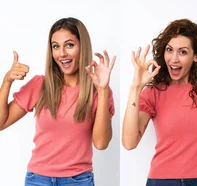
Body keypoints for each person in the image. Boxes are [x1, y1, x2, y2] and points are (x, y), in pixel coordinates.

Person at [121, 19, 197, 186]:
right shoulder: (154, 92)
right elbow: (129, 142)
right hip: (161, 181)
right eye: (169, 50)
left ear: (196, 56)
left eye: (182, 52)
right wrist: (135, 88)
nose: (174, 59)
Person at [0, 17, 116, 186]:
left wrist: (103, 90)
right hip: (37, 180)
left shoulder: (98, 91)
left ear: (82, 46)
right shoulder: (40, 85)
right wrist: (7, 82)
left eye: (69, 45)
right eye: (56, 46)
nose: (62, 53)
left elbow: (101, 143)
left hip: (78, 180)